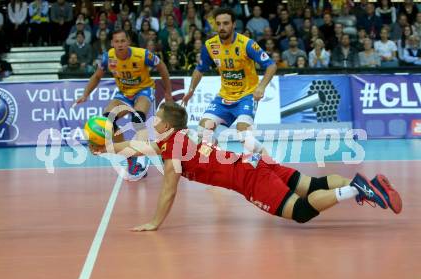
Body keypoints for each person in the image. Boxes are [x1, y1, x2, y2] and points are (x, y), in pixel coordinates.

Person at [89, 102, 403, 231]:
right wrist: (105, 147)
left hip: (248, 177)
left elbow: (170, 188)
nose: (153, 122)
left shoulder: (172, 147)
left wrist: (155, 222)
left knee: (303, 211)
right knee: (313, 184)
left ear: (167, 125)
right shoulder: (177, 138)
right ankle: (361, 183)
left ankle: (356, 188)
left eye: (157, 119)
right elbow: (134, 146)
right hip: (253, 161)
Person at [75, 30, 173, 179]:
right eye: (117, 41)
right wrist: (85, 94)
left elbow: (162, 68)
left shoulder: (143, 55)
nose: (120, 44)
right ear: (112, 43)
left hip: (143, 91)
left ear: (128, 42)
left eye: (122, 41)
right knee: (108, 121)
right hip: (124, 94)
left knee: (137, 120)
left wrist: (168, 92)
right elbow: (96, 76)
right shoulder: (108, 57)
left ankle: (141, 155)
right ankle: (130, 157)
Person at [182, 8, 277, 155]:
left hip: (247, 95)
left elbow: (271, 65)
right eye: (218, 24)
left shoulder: (247, 44)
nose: (221, 27)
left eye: (226, 23)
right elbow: (200, 69)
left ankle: (267, 159)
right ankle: (214, 154)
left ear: (233, 24)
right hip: (224, 96)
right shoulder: (210, 46)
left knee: (244, 135)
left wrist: (261, 87)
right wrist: (191, 90)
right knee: (203, 130)